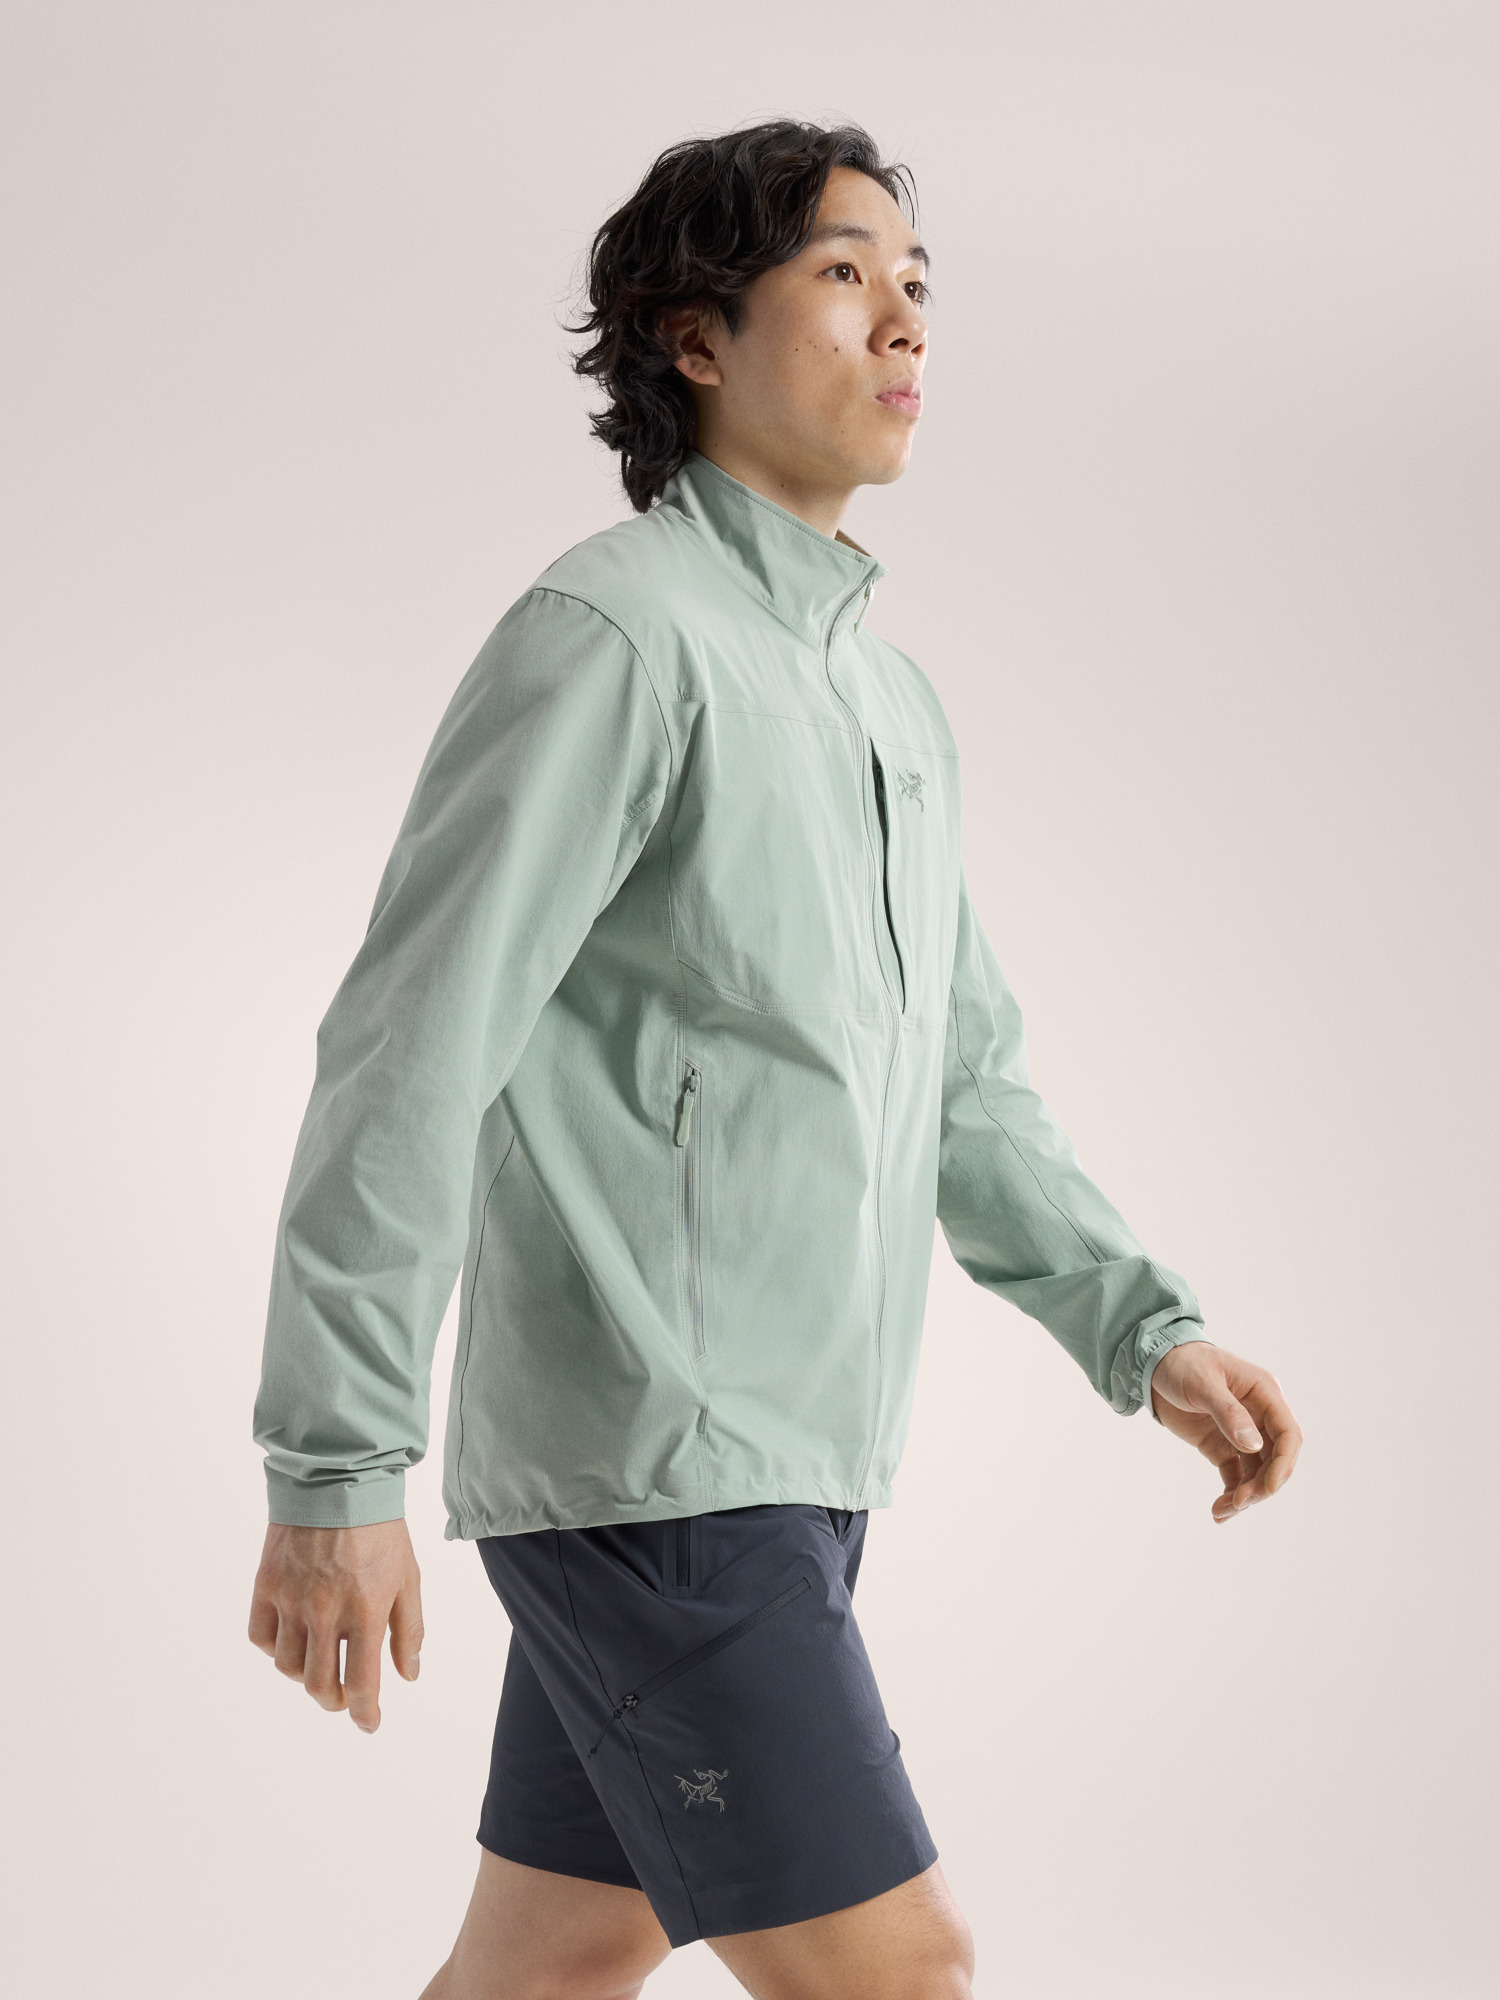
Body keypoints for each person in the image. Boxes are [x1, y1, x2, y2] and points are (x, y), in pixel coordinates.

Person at [248, 119, 1304, 2000]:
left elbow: (963, 1078)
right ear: (695, 338)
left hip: (793, 1464)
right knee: (906, 1972)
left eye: (917, 280)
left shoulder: (883, 699)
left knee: (550, 1960)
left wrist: (1144, 1330)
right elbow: (408, 1048)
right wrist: (336, 1471)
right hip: (660, 1473)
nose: (904, 317)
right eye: (840, 271)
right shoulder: (614, 637)